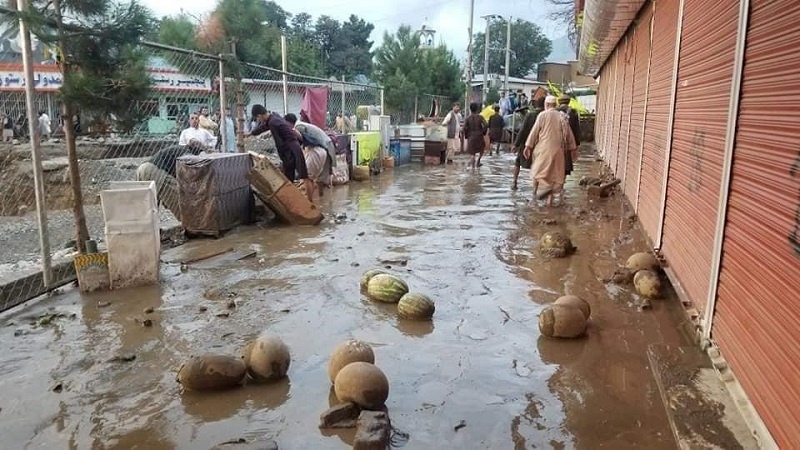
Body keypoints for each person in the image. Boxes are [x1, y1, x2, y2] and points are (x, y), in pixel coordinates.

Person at [523, 95, 577, 207]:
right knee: (554, 176)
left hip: (543, 150)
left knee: (536, 172)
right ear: (555, 105)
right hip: (559, 151)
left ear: (546, 105)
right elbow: (569, 134)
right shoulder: (562, 116)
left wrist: (528, 146)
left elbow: (534, 132)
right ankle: (549, 203)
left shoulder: (542, 115)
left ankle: (546, 187)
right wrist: (573, 149)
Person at [247, 105, 311, 199]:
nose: (259, 121)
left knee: (298, 176)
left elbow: (279, 143)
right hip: (294, 147)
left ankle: (305, 201)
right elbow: (264, 127)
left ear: (259, 115)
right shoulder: (274, 117)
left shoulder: (273, 122)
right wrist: (251, 133)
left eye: (257, 118)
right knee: (297, 174)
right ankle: (300, 199)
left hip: (290, 149)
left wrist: (283, 158)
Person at [135, 141, 206, 218]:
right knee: (185, 205)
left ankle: (148, 228)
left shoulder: (179, 149)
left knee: (149, 209)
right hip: (153, 171)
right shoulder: (188, 153)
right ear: (198, 151)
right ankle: (193, 226)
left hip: (142, 169)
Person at [284, 113, 336, 200]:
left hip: (323, 147)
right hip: (323, 147)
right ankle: (321, 198)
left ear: (289, 122)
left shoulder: (298, 127)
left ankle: (310, 202)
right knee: (319, 177)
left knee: (309, 177)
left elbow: (302, 139)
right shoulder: (301, 125)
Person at [511, 98, 544, 190]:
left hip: (526, 143)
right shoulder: (545, 116)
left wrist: (516, 144)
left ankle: (514, 182)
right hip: (540, 145)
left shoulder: (530, 115)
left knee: (518, 162)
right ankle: (535, 190)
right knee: (538, 166)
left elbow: (523, 130)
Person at [557, 95, 581, 178]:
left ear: (559, 102)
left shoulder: (554, 111)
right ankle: (562, 184)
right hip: (568, 143)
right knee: (566, 164)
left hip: (555, 142)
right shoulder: (573, 112)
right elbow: (576, 129)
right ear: (569, 102)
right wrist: (576, 145)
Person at [462, 102, 488, 169]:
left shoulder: (468, 118)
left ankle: (472, 168)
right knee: (482, 148)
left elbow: (464, 128)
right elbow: (486, 125)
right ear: (477, 109)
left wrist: (466, 135)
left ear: (470, 109)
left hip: (471, 137)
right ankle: (478, 160)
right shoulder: (480, 117)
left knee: (472, 154)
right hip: (479, 136)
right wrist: (483, 132)